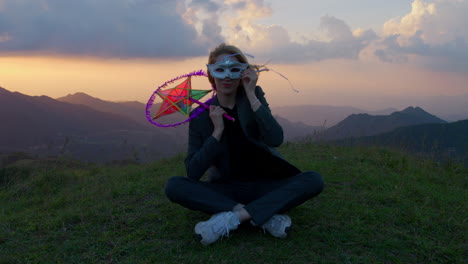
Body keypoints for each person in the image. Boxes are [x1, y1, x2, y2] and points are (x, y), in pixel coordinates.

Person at [165, 43, 324, 246]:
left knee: (313, 180)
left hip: (266, 184)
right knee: (174, 186)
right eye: (220, 70)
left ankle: (232, 218)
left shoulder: (254, 96)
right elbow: (193, 171)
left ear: (244, 73)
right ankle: (263, 215)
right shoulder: (200, 116)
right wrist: (217, 132)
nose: (227, 76)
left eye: (234, 70)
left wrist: (250, 94)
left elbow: (276, 139)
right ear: (211, 74)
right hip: (227, 187)